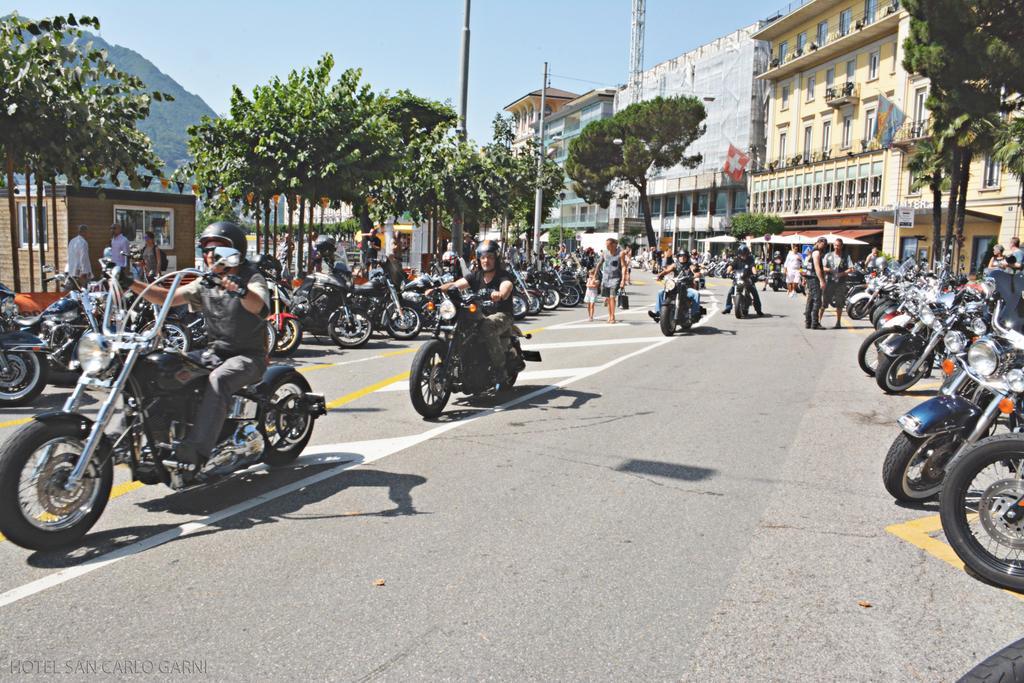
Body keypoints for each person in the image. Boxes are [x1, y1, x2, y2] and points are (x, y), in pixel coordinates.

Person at [126, 221, 270, 473]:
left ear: (235, 250)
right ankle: (137, 439)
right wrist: (129, 282)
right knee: (161, 367)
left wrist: (240, 290)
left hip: (249, 356)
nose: (210, 255)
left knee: (219, 379)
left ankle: (196, 450)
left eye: (217, 249)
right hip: (214, 352)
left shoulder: (251, 277)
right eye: (206, 250)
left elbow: (257, 304)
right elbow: (165, 297)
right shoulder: (206, 283)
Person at [428, 240, 515, 384]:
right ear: (479, 259)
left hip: (502, 315)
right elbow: (456, 284)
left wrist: (500, 294)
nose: (486, 260)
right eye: (483, 257)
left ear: (496, 258)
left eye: (490, 257)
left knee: (487, 326)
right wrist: (437, 290)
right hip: (480, 313)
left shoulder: (503, 276)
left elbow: (507, 286)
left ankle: (500, 369)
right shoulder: (476, 275)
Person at [649, 250, 701, 322]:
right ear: (678, 257)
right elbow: (666, 271)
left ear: (687, 257)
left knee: (696, 293)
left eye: (684, 256)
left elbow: (696, 272)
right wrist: (659, 275)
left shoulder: (690, 265)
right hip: (676, 286)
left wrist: (695, 275)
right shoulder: (675, 265)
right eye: (680, 256)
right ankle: (658, 313)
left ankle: (694, 314)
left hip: (686, 288)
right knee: (660, 292)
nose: (682, 258)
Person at [723, 244, 763, 316]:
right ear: (739, 253)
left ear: (747, 253)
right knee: (730, 292)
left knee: (755, 293)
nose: (743, 255)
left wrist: (755, 274)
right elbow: (731, 266)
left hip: (748, 279)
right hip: (737, 279)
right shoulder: (736, 259)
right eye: (741, 254)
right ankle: (728, 307)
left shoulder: (750, 259)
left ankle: (758, 310)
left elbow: (753, 267)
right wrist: (727, 272)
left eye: (745, 254)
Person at [822, 238, 853, 328]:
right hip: (829, 282)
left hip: (841, 283)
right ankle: (818, 321)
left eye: (838, 245)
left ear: (841, 246)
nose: (836, 247)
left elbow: (851, 268)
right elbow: (822, 267)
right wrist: (830, 270)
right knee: (824, 303)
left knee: (839, 304)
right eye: (835, 245)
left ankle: (838, 323)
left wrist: (842, 274)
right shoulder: (828, 255)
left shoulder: (846, 256)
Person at [594, 237, 627, 323]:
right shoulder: (604, 253)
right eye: (606, 245)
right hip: (606, 278)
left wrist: (623, 280)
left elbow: (624, 266)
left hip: (616, 278)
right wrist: (594, 275)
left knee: (612, 297)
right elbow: (599, 264)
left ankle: (612, 316)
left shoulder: (621, 253)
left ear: (614, 245)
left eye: (608, 245)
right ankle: (610, 315)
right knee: (608, 298)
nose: (607, 247)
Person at [803, 236, 828, 329]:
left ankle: (808, 322)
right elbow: (817, 268)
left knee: (810, 300)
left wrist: (805, 279)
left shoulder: (812, 253)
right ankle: (814, 323)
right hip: (814, 278)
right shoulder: (816, 253)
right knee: (817, 301)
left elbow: (806, 267)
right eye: (823, 243)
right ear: (818, 242)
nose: (824, 246)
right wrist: (822, 281)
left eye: (825, 244)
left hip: (810, 278)